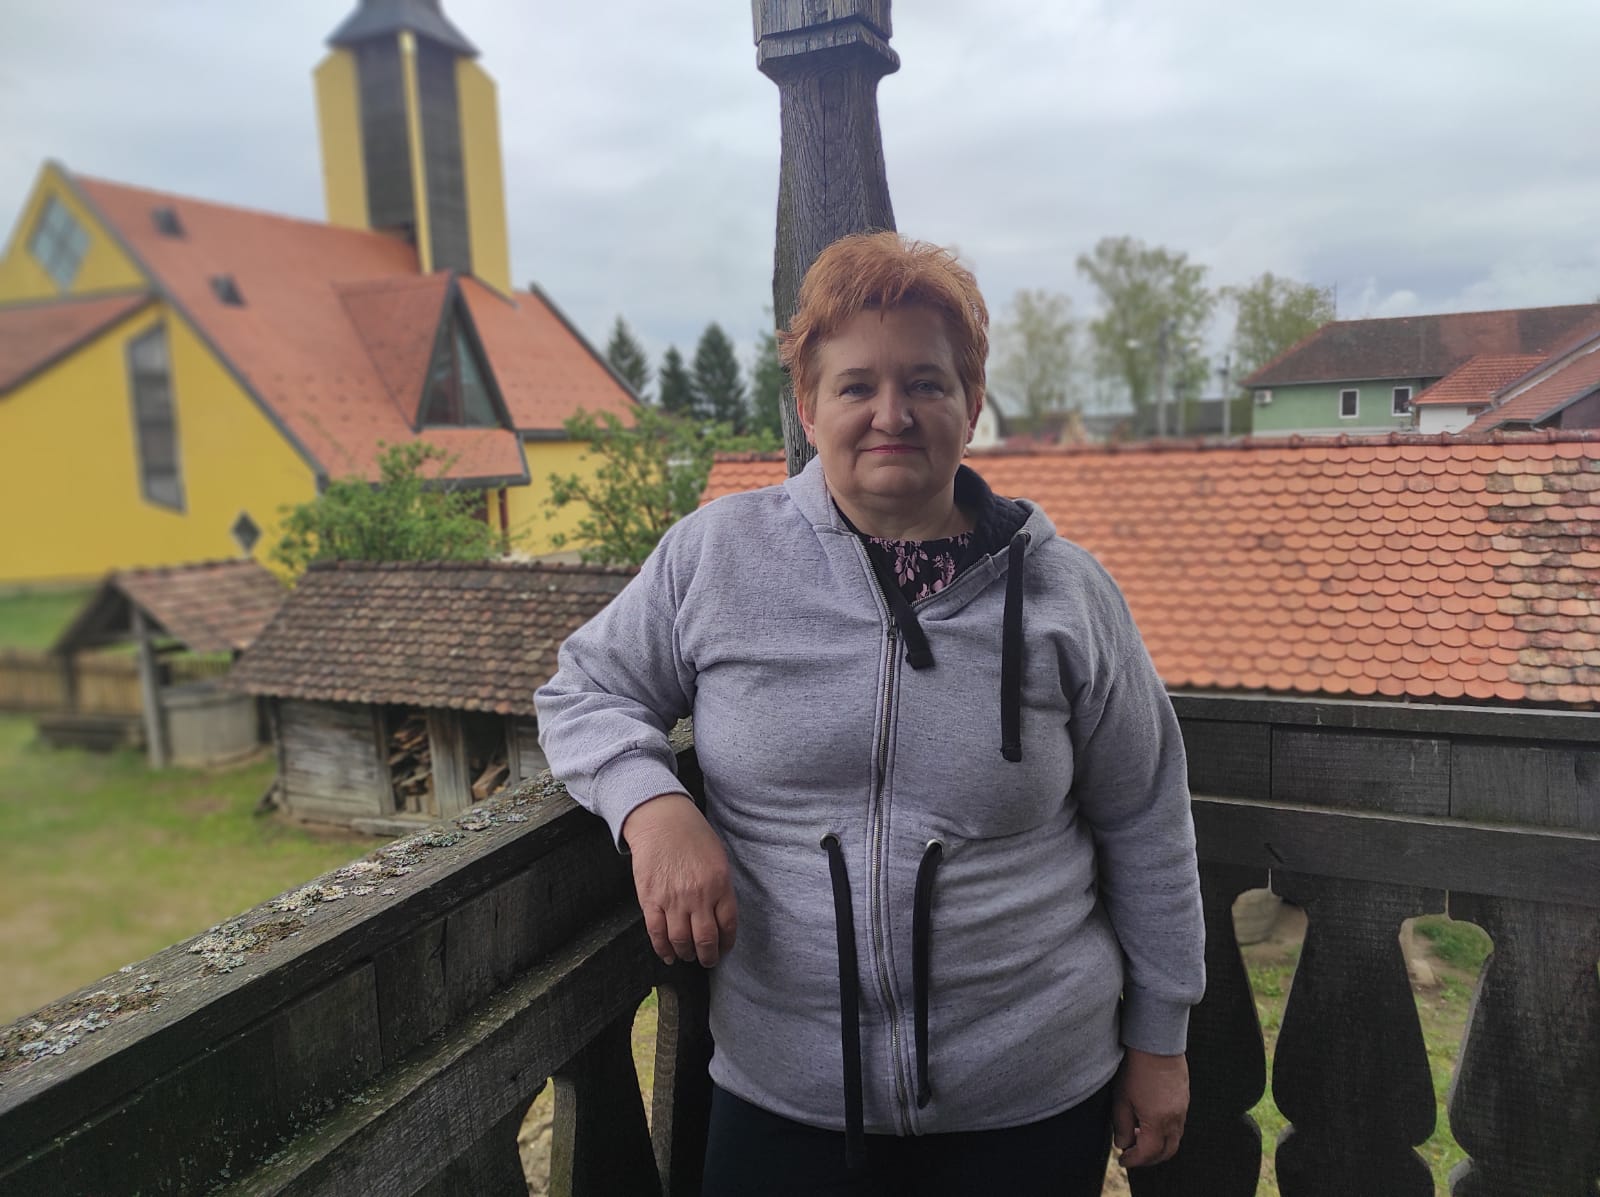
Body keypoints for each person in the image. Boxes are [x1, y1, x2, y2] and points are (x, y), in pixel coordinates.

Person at [535, 231, 1205, 1195]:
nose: (892, 414)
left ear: (973, 403)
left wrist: (1161, 1039)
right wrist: (652, 806)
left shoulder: (1067, 595)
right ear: (808, 408)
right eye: (856, 386)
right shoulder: (716, 557)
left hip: (1029, 1100)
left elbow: (1147, 817)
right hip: (784, 1096)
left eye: (927, 382)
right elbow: (582, 689)